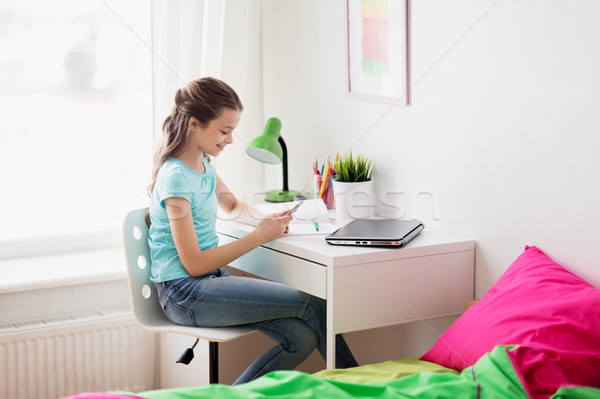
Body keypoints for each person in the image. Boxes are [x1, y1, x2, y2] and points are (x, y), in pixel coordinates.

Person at [147, 77, 358, 385]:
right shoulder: (176, 178)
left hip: (206, 283)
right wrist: (259, 236)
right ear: (194, 124)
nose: (230, 140)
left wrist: (268, 218)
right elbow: (193, 264)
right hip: (184, 293)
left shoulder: (203, 164)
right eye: (224, 130)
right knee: (314, 304)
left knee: (300, 337)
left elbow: (231, 206)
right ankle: (363, 387)